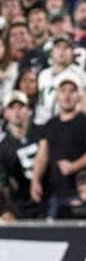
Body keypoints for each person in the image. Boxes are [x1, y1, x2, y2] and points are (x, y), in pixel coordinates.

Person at [32, 72, 86, 218]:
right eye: (63, 91)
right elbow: (42, 155)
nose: (67, 96)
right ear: (56, 95)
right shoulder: (50, 124)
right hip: (55, 191)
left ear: (78, 96)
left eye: (72, 91)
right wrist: (35, 180)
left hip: (81, 192)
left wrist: (73, 166)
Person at [0, 89, 40, 218]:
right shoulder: (3, 147)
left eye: (20, 106)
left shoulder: (42, 133)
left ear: (28, 110)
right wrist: (7, 209)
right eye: (12, 107)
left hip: (47, 200)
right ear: (5, 113)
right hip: (20, 205)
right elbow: (4, 184)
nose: (16, 111)